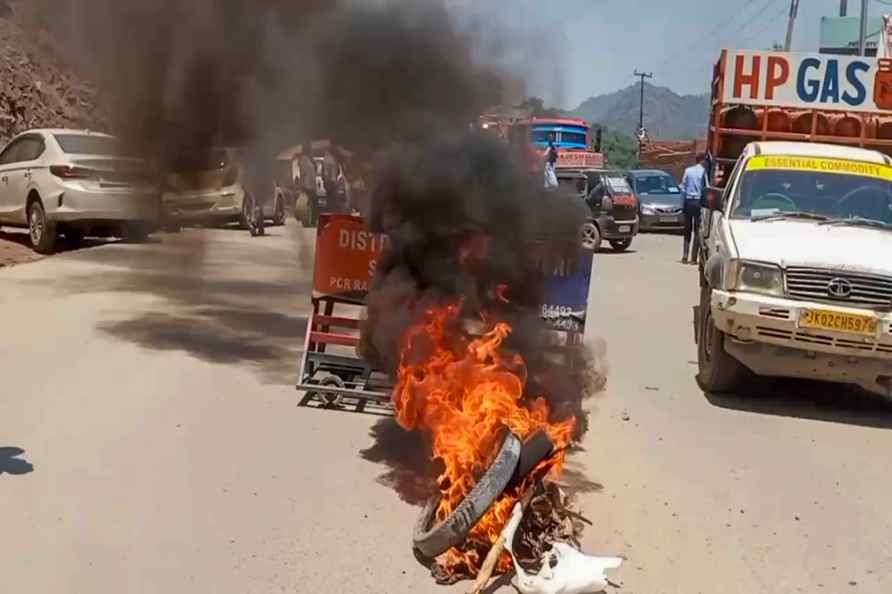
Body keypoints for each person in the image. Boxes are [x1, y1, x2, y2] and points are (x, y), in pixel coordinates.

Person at [681, 152, 709, 264]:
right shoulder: (703, 172)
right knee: (697, 231)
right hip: (698, 202)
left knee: (687, 229)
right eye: (705, 161)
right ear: (701, 160)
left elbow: (683, 187)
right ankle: (693, 259)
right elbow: (706, 187)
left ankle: (684, 255)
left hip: (688, 201)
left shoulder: (688, 170)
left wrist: (683, 202)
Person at [299, 151, 318, 225]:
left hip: (309, 185)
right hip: (310, 186)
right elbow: (303, 174)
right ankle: (310, 221)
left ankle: (309, 220)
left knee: (309, 203)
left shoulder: (305, 160)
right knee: (311, 203)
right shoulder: (308, 161)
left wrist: (301, 185)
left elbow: (303, 174)